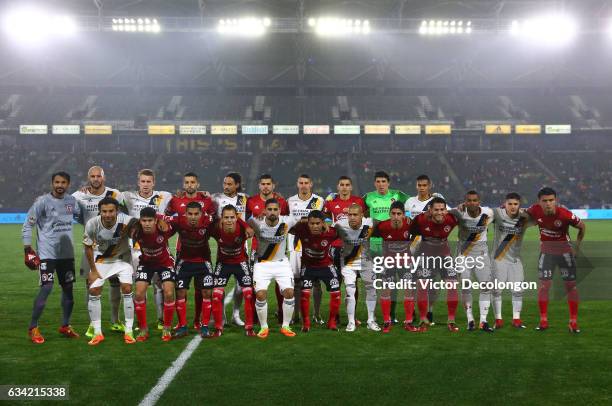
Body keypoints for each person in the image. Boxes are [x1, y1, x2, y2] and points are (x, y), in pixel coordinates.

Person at [22, 171, 81, 344]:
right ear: (52, 183)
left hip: (66, 255)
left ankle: (65, 325)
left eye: (63, 182)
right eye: (57, 182)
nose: (60, 185)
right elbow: (27, 225)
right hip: (47, 255)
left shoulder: (72, 201)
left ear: (68, 184)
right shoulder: (42, 202)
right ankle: (33, 328)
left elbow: (82, 216)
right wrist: (27, 248)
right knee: (46, 288)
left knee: (68, 289)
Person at [73, 165, 126, 337]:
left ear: (104, 178)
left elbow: (129, 209)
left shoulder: (115, 194)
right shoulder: (79, 195)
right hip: (91, 248)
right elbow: (71, 210)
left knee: (115, 284)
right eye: (92, 176)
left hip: (113, 248)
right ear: (89, 178)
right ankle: (92, 324)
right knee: (91, 284)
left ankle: (115, 321)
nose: (96, 179)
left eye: (98, 176)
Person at [525, 187, 586, 333]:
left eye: (551, 200)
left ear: (555, 200)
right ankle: (543, 321)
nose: (548, 203)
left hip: (565, 253)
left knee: (570, 286)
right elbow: (521, 214)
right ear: (539, 202)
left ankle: (573, 322)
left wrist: (576, 247)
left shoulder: (564, 215)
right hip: (547, 253)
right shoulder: (534, 210)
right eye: (545, 201)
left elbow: (582, 227)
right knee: (544, 286)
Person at [83, 197, 139, 345]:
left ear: (117, 211)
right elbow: (87, 247)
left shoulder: (127, 220)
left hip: (122, 259)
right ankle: (97, 332)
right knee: (94, 290)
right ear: (100, 212)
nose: (107, 215)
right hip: (102, 259)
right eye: (104, 211)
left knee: (127, 288)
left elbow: (141, 222)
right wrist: (93, 271)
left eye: (111, 211)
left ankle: (129, 330)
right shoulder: (92, 224)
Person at [247, 198, 299, 339]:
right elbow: (242, 222)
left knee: (289, 292)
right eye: (269, 209)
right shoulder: (256, 222)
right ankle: (264, 327)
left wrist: (327, 223)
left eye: (275, 209)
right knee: (260, 295)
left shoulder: (286, 221)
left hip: (282, 263)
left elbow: (305, 218)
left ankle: (285, 326)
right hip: (262, 264)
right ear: (264, 210)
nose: (272, 212)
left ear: (280, 211)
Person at [208, 205, 256, 337]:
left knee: (248, 294)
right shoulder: (216, 229)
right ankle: (218, 327)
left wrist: (246, 226)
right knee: (216, 295)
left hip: (240, 263)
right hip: (223, 264)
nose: (229, 220)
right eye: (226, 218)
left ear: (236, 218)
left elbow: (255, 230)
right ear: (221, 219)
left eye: (232, 217)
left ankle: (249, 327)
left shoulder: (243, 229)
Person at [289, 210, 341, 332]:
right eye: (311, 223)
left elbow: (342, 235)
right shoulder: (302, 229)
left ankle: (332, 322)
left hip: (326, 266)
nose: (314, 226)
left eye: (317, 223)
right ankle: (306, 323)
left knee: (336, 294)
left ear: (322, 223)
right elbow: (291, 230)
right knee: (305, 295)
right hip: (308, 267)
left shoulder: (331, 232)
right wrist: (299, 222)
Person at [132, 207, 177, 342]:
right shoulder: (136, 231)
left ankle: (167, 327)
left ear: (155, 221)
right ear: (140, 221)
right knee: (139, 293)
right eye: (144, 220)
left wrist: (161, 218)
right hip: (146, 263)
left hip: (165, 262)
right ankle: (143, 329)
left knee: (168, 292)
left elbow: (177, 219)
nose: (146, 223)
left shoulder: (164, 229)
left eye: (150, 220)